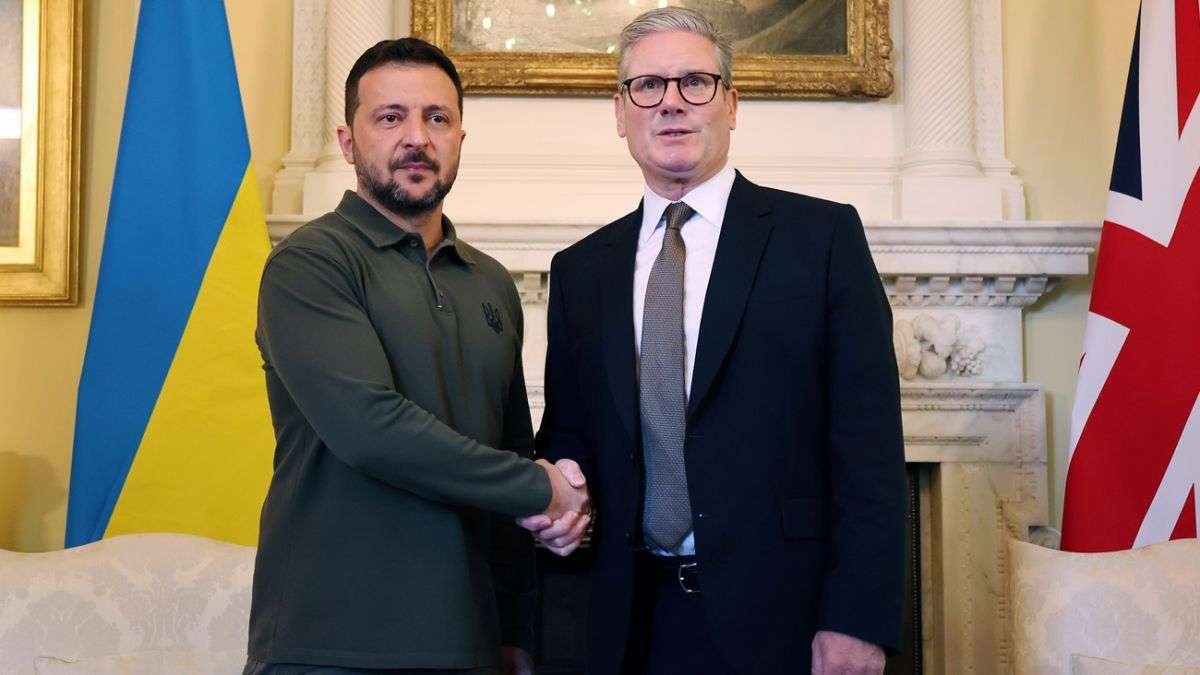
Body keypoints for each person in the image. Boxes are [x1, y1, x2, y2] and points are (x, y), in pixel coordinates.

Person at [521, 8, 906, 675]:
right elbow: (571, 432)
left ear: (731, 104)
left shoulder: (821, 240)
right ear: (620, 112)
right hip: (626, 622)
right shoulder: (581, 269)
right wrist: (561, 488)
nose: (670, 102)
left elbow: (868, 449)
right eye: (647, 86)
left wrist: (857, 619)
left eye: (694, 82)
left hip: (785, 622)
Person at [245, 38, 589, 675]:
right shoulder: (309, 263)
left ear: (460, 138)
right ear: (348, 143)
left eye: (437, 118)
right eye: (390, 117)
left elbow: (510, 448)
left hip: (470, 642)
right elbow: (370, 429)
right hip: (329, 645)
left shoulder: (490, 283)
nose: (416, 138)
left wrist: (517, 629)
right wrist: (542, 489)